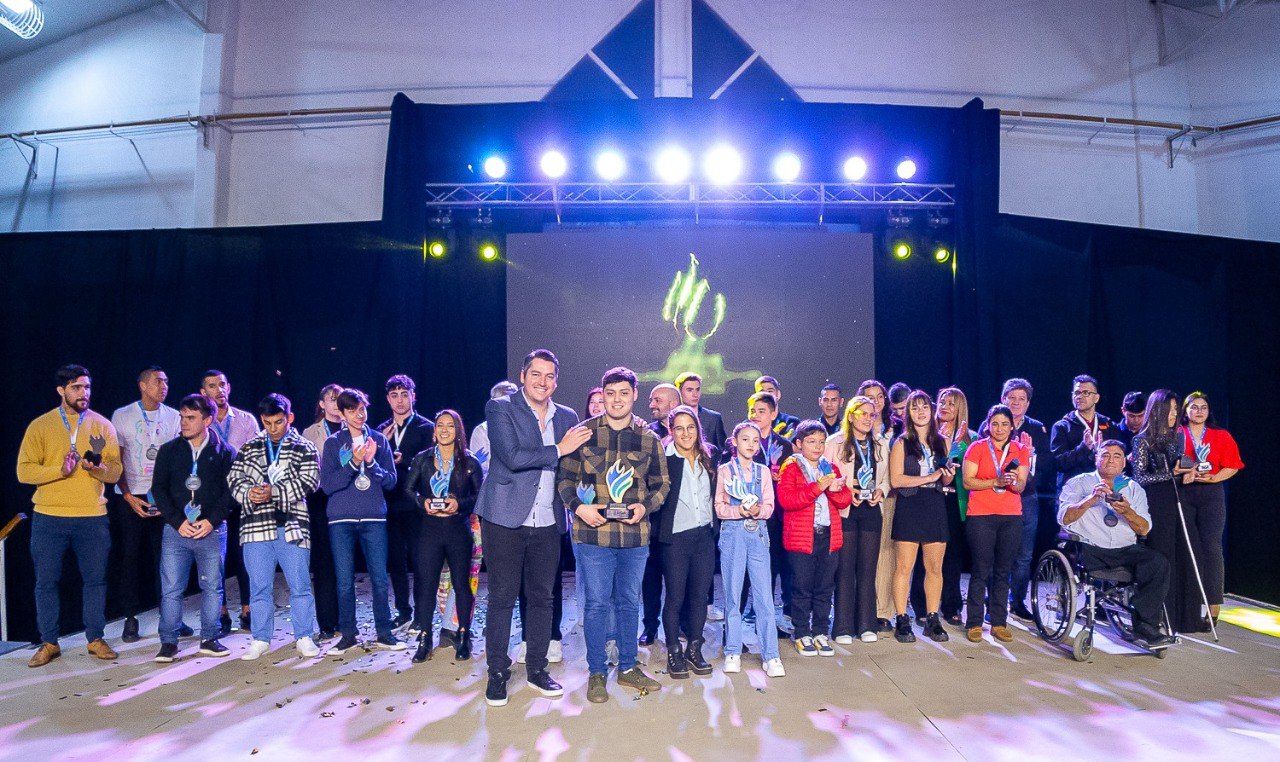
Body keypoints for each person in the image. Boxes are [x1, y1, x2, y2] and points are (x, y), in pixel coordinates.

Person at [474, 349, 588, 708]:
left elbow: (577, 461)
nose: (543, 381)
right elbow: (511, 457)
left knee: (542, 597)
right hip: (504, 517)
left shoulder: (567, 416)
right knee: (502, 597)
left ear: (556, 381)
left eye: (550, 376)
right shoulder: (501, 408)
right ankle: (497, 672)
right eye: (536, 374)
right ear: (523, 376)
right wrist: (560, 448)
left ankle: (538, 668)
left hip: (548, 519)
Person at [557, 367, 669, 704]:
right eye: (610, 394)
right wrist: (579, 508)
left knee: (629, 602)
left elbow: (662, 483)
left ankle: (628, 667)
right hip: (593, 537)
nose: (616, 400)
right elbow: (564, 480)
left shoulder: (648, 438)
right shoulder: (583, 434)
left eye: (623, 393)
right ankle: (596, 672)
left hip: (634, 538)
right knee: (596, 604)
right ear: (602, 396)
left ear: (634, 395)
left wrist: (645, 507)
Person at [18, 364, 122, 667]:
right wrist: (59, 471)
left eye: (87, 387)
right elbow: (24, 471)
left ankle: (95, 638)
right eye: (76, 387)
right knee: (46, 582)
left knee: (95, 580)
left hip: (92, 516)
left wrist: (97, 469)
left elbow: (115, 472)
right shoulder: (41, 426)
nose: (83, 393)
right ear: (61, 390)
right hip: (49, 516)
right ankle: (49, 642)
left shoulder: (103, 425)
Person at [227, 393, 322, 661]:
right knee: (259, 587)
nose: (273, 428)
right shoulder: (250, 447)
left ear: (289, 418)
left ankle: (304, 636)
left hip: (292, 526)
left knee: (299, 585)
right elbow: (234, 479)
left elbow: (310, 481)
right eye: (267, 423)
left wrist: (274, 492)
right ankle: (260, 638)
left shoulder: (304, 447)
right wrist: (249, 492)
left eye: (278, 422)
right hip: (256, 527)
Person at [1059, 441, 1175, 649]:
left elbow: (1144, 529)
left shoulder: (1133, 488)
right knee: (1081, 551)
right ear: (1096, 459)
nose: (1110, 460)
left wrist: (1128, 512)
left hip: (1125, 549)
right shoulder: (1079, 483)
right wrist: (1091, 499)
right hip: (1091, 546)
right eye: (1105, 455)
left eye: (1117, 456)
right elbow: (1064, 519)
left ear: (1124, 463)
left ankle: (1145, 624)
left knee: (1158, 563)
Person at [151, 394, 235, 662]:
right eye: (182, 417)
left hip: (212, 530)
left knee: (212, 587)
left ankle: (209, 638)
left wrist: (211, 521)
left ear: (208, 420)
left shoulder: (225, 452)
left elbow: (231, 492)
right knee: (171, 589)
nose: (184, 422)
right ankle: (168, 642)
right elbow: (159, 489)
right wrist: (178, 522)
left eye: (191, 418)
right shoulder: (169, 451)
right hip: (177, 531)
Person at [319, 388, 404, 654]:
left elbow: (391, 481)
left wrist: (372, 463)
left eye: (362, 409)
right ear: (342, 414)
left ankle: (384, 632)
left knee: (379, 579)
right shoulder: (333, 443)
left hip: (373, 517)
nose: (359, 415)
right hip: (341, 520)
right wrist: (355, 463)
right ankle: (348, 634)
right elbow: (328, 485)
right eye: (352, 410)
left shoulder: (378, 440)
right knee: (344, 581)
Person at [110, 366, 182, 643]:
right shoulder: (123, 415)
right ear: (142, 385)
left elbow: (178, 461)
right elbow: (117, 459)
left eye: (166, 381)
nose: (164, 386)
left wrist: (169, 499)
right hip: (131, 497)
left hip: (163, 497)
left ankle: (170, 618)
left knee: (166, 559)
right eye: (157, 381)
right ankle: (130, 617)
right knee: (130, 558)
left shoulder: (174, 416)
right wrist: (128, 495)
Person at [404, 410, 483, 662]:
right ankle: (425, 638)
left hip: (457, 530)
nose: (445, 430)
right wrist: (423, 502)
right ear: (434, 430)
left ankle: (463, 635)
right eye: (440, 425)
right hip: (429, 530)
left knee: (461, 584)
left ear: (458, 431)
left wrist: (459, 504)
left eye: (450, 425)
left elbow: (480, 496)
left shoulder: (470, 462)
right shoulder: (422, 459)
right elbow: (408, 489)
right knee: (426, 585)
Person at [714, 422, 785, 678]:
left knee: (764, 595)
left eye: (755, 440)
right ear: (735, 442)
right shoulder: (725, 471)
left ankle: (771, 654)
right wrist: (739, 511)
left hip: (758, 534)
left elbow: (770, 506)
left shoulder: (762, 471)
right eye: (745, 439)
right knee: (733, 595)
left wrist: (758, 511)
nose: (751, 444)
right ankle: (733, 650)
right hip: (733, 534)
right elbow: (719, 508)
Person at [778, 420, 853, 656]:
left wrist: (835, 489)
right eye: (811, 442)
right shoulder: (791, 466)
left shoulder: (830, 467)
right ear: (799, 443)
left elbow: (845, 500)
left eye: (821, 442)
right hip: (802, 538)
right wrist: (817, 487)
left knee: (825, 587)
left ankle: (820, 632)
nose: (818, 446)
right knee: (802, 588)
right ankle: (802, 633)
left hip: (828, 536)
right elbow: (787, 501)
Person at [888, 391, 955, 644]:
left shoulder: (943, 442)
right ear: (908, 413)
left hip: (934, 504)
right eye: (915, 408)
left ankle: (932, 618)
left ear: (932, 410)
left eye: (925, 407)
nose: (921, 412)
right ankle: (902, 618)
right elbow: (896, 480)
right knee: (904, 567)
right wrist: (930, 476)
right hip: (910, 504)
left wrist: (948, 473)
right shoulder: (902, 443)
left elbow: (946, 480)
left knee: (935, 567)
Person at [656, 405, 717, 679]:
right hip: (675, 539)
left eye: (690, 427)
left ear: (698, 429)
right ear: (671, 431)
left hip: (703, 537)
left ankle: (694, 649)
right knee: (675, 596)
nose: (685, 433)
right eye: (679, 428)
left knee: (700, 596)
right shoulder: (664, 459)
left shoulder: (708, 457)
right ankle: (674, 652)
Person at [962, 404, 1030, 644]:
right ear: (988, 425)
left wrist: (1012, 482)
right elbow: (968, 482)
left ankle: (999, 622)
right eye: (995, 424)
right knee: (981, 569)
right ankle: (974, 622)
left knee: (1003, 571)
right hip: (981, 515)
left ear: (1012, 427)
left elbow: (1021, 486)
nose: (999, 429)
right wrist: (996, 481)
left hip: (1011, 516)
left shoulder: (1020, 450)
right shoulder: (977, 447)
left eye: (1004, 424)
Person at [200, 369, 261, 636]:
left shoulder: (246, 420)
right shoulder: (202, 422)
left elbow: (257, 456)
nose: (219, 390)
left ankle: (248, 609)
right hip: (213, 498)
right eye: (212, 386)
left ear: (229, 387)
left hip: (243, 495)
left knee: (244, 553)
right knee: (216, 557)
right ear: (203, 392)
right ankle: (221, 611)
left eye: (222, 384)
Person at [1132, 389, 1198, 632]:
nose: (1173, 415)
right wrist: (1172, 473)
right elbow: (1140, 477)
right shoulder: (1142, 440)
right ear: (1158, 411)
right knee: (1164, 555)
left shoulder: (1174, 438)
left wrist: (1189, 470)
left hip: (1178, 499)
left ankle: (1182, 617)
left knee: (1184, 555)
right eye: (1169, 410)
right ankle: (1159, 615)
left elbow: (1180, 464)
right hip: (1157, 503)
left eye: (1175, 410)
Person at [1175, 392, 1243, 628]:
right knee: (1187, 548)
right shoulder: (1177, 434)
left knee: (1211, 548)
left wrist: (1214, 478)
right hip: (1183, 492)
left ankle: (1213, 607)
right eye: (1194, 407)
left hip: (1211, 494)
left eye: (1203, 407)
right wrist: (1186, 472)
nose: (1199, 411)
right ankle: (1188, 605)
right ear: (1185, 410)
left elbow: (1233, 465)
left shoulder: (1220, 435)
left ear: (1209, 411)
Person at [826, 396, 889, 643]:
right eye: (863, 413)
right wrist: (845, 490)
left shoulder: (881, 444)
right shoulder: (835, 442)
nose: (868, 419)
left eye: (872, 415)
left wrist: (881, 491)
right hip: (846, 510)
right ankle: (842, 626)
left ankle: (866, 624)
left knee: (867, 570)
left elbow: (887, 478)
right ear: (851, 416)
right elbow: (826, 474)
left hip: (871, 509)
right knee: (845, 569)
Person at [910, 386, 974, 627]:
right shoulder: (927, 434)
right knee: (924, 556)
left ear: (960, 408)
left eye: (951, 403)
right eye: (942, 402)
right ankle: (921, 605)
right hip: (931, 498)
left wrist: (955, 445)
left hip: (956, 502)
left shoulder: (971, 438)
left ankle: (951, 605)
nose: (945, 407)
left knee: (953, 557)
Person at [377, 374, 435, 630]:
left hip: (416, 505)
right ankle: (403, 610)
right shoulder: (381, 430)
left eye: (404, 395)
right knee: (395, 562)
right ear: (388, 399)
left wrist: (406, 460)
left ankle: (422, 614)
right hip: (389, 504)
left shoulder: (427, 427)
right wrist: (382, 447)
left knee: (420, 561)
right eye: (394, 395)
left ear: (413, 396)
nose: (400, 401)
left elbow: (431, 464)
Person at [993, 378, 1052, 621]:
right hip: (996, 495)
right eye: (1012, 398)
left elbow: (1048, 462)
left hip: (1026, 497)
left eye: (1021, 399)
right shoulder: (993, 423)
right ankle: (994, 601)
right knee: (996, 552)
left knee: (1024, 555)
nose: (1016, 403)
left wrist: (1031, 456)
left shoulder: (1037, 428)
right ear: (1003, 399)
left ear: (1028, 403)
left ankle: (1017, 601)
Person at [743, 391, 795, 637]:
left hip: (776, 517)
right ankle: (741, 623)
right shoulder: (742, 441)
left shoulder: (784, 446)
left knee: (774, 568)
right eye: (752, 410)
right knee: (747, 572)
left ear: (774, 414)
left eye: (761, 411)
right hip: (748, 515)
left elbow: (793, 481)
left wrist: (780, 478)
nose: (755, 415)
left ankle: (772, 620)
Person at [300, 384, 343, 639]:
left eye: (340, 399)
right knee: (324, 563)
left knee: (344, 564)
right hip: (320, 502)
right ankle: (327, 622)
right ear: (322, 404)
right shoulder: (310, 432)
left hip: (346, 499)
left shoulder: (354, 428)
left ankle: (346, 620)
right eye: (332, 399)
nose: (336, 404)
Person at [639, 383, 680, 644]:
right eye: (652, 400)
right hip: (652, 517)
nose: (651, 404)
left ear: (673, 404)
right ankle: (650, 627)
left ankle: (680, 626)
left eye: (657, 400)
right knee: (650, 577)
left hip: (679, 518)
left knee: (679, 579)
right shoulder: (646, 433)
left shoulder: (688, 432)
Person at [856, 379, 897, 633]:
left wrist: (884, 488)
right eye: (869, 397)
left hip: (890, 496)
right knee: (865, 558)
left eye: (879, 396)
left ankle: (883, 612)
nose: (875, 401)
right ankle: (862, 611)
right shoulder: (855, 428)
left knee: (887, 555)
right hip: (861, 499)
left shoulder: (897, 427)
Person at [1050, 375, 1115, 489]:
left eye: (1086, 393)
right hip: (1072, 489)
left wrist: (1101, 452)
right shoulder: (1062, 426)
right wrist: (1083, 448)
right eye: (1077, 393)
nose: (1080, 396)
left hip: (1103, 486)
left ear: (1096, 398)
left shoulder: (1109, 425)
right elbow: (1058, 463)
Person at [677, 372, 727, 452]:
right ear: (679, 392)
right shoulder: (671, 419)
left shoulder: (714, 418)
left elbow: (722, 450)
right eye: (689, 390)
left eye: (697, 389)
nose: (695, 394)